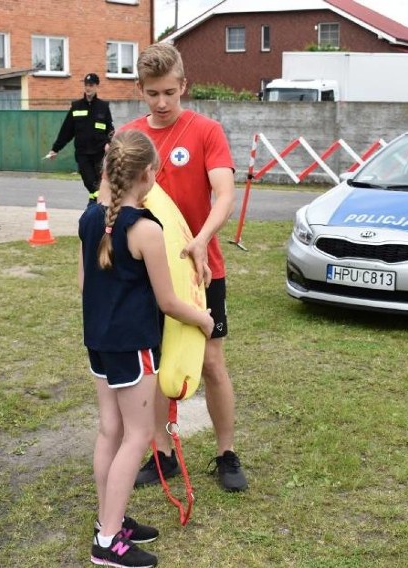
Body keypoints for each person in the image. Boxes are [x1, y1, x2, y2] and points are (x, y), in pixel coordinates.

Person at [100, 43, 248, 492]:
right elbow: (106, 196)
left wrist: (202, 240)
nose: (162, 103)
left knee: (211, 362)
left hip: (202, 269)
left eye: (169, 92)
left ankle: (226, 453)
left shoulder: (206, 131)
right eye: (152, 94)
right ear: (140, 91)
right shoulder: (127, 135)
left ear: (184, 86)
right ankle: (162, 454)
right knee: (154, 367)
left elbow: (223, 194)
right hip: (143, 274)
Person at [80, 130, 214, 567]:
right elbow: (168, 302)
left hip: (98, 342)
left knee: (110, 431)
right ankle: (107, 541)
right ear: (150, 175)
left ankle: (110, 519)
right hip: (132, 346)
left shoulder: (88, 218)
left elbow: (83, 284)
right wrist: (204, 319)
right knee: (137, 435)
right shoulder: (146, 230)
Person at [46, 73, 114, 203]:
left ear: (96, 86)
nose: (88, 88)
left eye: (91, 85)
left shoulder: (103, 107)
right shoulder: (76, 106)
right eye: (86, 85)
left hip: (99, 153)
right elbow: (66, 131)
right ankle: (100, 204)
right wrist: (55, 149)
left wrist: (109, 143)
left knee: (99, 183)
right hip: (83, 154)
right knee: (89, 182)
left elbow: (110, 129)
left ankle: (96, 206)